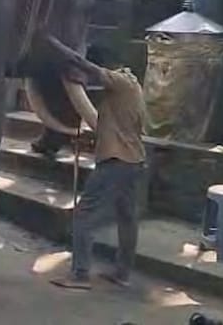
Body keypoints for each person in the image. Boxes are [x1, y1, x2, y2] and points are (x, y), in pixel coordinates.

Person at [47, 36, 147, 291]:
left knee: (84, 215)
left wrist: (54, 44)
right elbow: (118, 125)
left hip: (116, 161)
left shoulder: (119, 81)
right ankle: (122, 273)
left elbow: (85, 65)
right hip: (133, 161)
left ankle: (80, 275)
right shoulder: (132, 84)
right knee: (127, 217)